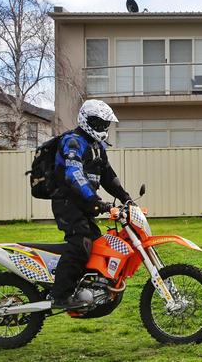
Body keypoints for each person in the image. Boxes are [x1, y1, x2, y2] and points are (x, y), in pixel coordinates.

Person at [50, 99, 132, 309]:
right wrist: (98, 202)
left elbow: (108, 176)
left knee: (96, 243)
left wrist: (126, 198)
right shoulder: (73, 141)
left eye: (105, 124)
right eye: (98, 122)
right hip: (67, 203)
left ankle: (89, 287)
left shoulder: (97, 146)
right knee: (80, 244)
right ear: (86, 120)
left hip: (84, 205)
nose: (102, 128)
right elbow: (73, 174)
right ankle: (60, 295)